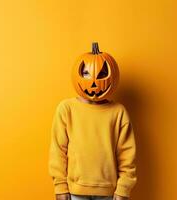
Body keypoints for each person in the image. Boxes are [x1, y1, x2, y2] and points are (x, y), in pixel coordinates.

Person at [48, 43, 137, 200]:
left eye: (102, 74)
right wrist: (60, 186)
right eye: (87, 74)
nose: (94, 82)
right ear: (78, 75)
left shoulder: (118, 112)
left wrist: (123, 188)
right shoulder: (66, 109)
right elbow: (58, 151)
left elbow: (127, 155)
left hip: (110, 192)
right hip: (75, 192)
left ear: (112, 76)